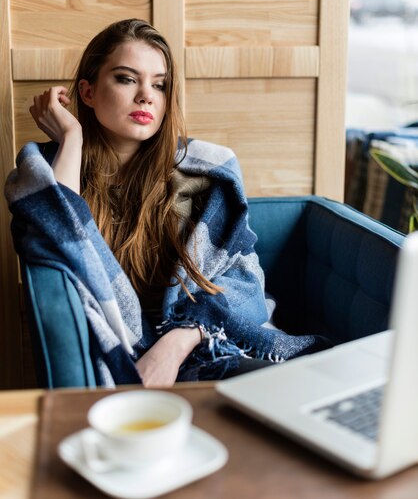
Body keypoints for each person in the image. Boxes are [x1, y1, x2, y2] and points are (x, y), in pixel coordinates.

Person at [6, 19, 330, 387]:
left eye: (159, 85)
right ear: (88, 91)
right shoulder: (48, 172)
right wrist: (72, 136)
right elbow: (61, 238)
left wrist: (176, 343)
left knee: (297, 389)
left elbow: (246, 282)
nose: (146, 95)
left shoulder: (204, 176)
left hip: (209, 342)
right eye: (127, 79)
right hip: (125, 350)